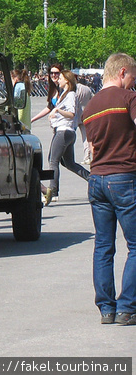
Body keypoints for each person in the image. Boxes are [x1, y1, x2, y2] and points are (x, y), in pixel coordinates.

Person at [82, 53, 136, 326]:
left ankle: (106, 308)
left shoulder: (90, 107)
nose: (132, 84)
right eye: (133, 78)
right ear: (123, 72)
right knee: (135, 244)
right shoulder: (128, 99)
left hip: (97, 179)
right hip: (124, 177)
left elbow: (92, 148)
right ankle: (128, 307)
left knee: (103, 246)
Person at [34, 70, 89, 205]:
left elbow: (71, 113)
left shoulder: (70, 95)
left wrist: (58, 111)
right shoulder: (64, 94)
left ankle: (52, 191)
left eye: (61, 78)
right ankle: (93, 179)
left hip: (64, 131)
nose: (59, 79)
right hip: (66, 131)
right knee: (69, 163)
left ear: (68, 81)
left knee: (53, 160)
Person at [74, 77, 95, 165]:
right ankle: (87, 156)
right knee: (86, 137)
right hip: (85, 114)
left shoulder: (74, 88)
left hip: (74, 114)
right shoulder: (87, 89)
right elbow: (93, 99)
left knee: (69, 135)